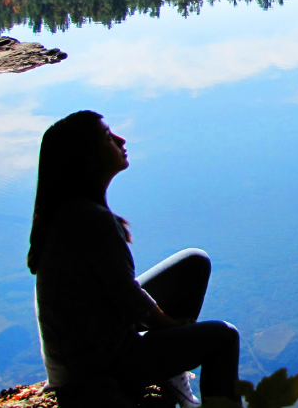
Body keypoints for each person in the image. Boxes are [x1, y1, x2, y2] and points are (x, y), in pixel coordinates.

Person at [28, 110, 241, 407]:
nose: (121, 139)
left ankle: (171, 369)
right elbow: (129, 299)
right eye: (107, 137)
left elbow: (118, 291)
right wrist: (170, 326)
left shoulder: (69, 210)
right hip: (93, 366)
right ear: (87, 160)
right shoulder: (91, 221)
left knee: (194, 262)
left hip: (89, 341)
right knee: (224, 338)